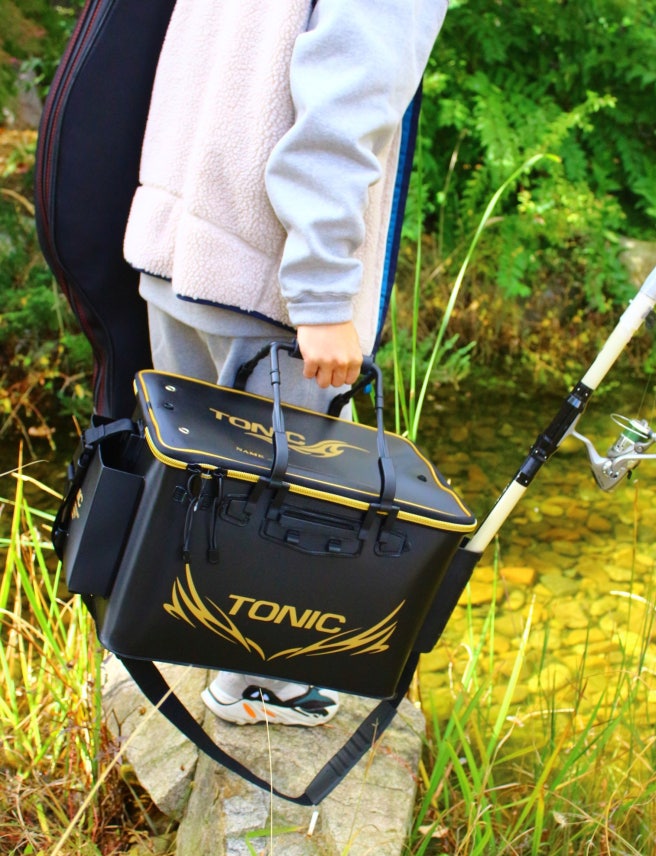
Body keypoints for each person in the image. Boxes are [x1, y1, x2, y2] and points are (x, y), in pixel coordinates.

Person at [123, 0, 448, 727]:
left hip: (181, 238)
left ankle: (175, 638)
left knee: (192, 485)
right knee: (273, 508)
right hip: (267, 279)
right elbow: (344, 108)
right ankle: (253, 684)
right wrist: (324, 296)